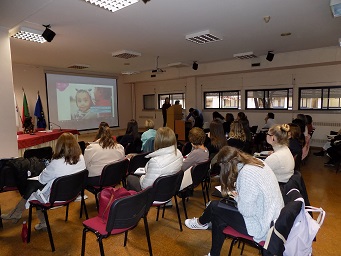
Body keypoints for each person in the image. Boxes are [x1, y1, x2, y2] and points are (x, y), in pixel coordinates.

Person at [184, 146, 284, 256]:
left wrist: (237, 197)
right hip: (272, 219)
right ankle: (213, 253)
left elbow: (247, 211)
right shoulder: (256, 162)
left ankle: (201, 223)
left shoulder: (246, 174)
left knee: (214, 206)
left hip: (261, 227)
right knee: (218, 213)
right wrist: (240, 194)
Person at [1, 133, 86, 230]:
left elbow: (42, 179)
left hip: (55, 197)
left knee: (32, 186)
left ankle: (20, 213)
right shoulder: (81, 158)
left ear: (59, 146)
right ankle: (18, 213)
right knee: (34, 187)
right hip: (73, 193)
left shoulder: (57, 163)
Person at [126, 127, 183, 191]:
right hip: (169, 191)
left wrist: (141, 177)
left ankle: (135, 200)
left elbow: (144, 186)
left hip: (155, 195)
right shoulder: (179, 153)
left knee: (130, 178)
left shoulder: (156, 162)